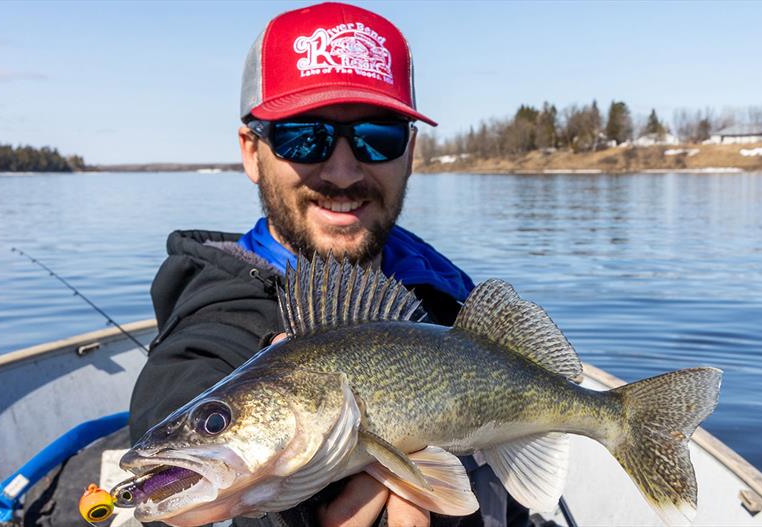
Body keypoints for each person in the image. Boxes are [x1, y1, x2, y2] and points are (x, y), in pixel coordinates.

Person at [129, 3, 529, 526]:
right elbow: (183, 388)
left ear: (410, 152)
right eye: (302, 134)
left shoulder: (450, 292)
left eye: (377, 136)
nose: (342, 171)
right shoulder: (215, 325)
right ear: (252, 151)